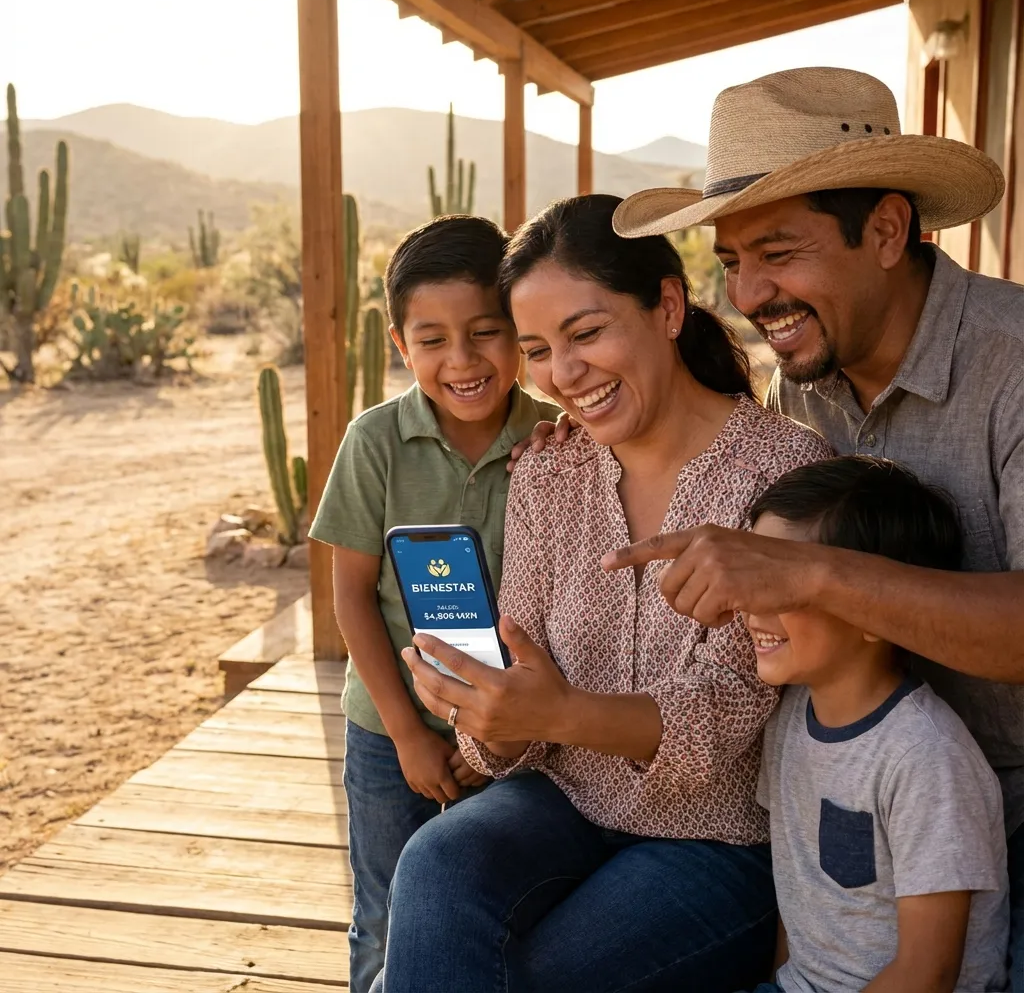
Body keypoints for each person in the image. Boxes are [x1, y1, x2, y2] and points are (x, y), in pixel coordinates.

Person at [600, 66, 1024, 988]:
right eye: (730, 261)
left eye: (779, 251)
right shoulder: (803, 384)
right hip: (837, 805)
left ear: (887, 230)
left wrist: (809, 575)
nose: (749, 294)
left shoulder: (1016, 364)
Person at [370, 194, 831, 993]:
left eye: (585, 334)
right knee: (437, 858)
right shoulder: (548, 470)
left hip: (717, 838)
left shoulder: (783, 475)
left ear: (668, 307)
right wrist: (485, 714)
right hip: (562, 800)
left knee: (529, 977)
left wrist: (553, 713)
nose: (563, 374)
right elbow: (519, 683)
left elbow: (724, 711)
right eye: (537, 350)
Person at [307, 214, 561, 991]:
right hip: (389, 729)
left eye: (486, 332)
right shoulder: (374, 441)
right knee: (385, 912)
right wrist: (407, 736)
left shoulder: (558, 440)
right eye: (432, 340)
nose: (462, 361)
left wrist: (501, 737)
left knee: (491, 909)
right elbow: (352, 596)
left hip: (517, 732)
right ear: (399, 343)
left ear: (518, 329)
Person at [741, 456, 1008, 993]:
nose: (750, 603)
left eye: (780, 584)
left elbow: (927, 974)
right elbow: (799, 907)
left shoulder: (927, 758)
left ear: (875, 612)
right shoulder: (788, 718)